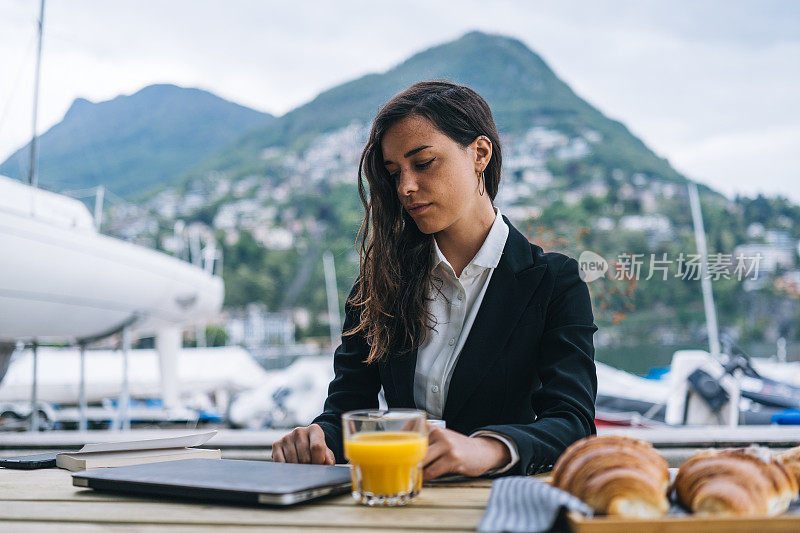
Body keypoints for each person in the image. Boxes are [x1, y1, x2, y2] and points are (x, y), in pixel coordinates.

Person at [272, 80, 598, 479]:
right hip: (394, 503)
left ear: (480, 153)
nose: (406, 187)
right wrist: (316, 438)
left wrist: (488, 449)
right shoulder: (376, 285)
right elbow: (345, 412)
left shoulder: (555, 282)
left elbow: (572, 422)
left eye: (423, 163)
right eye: (394, 173)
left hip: (501, 507)